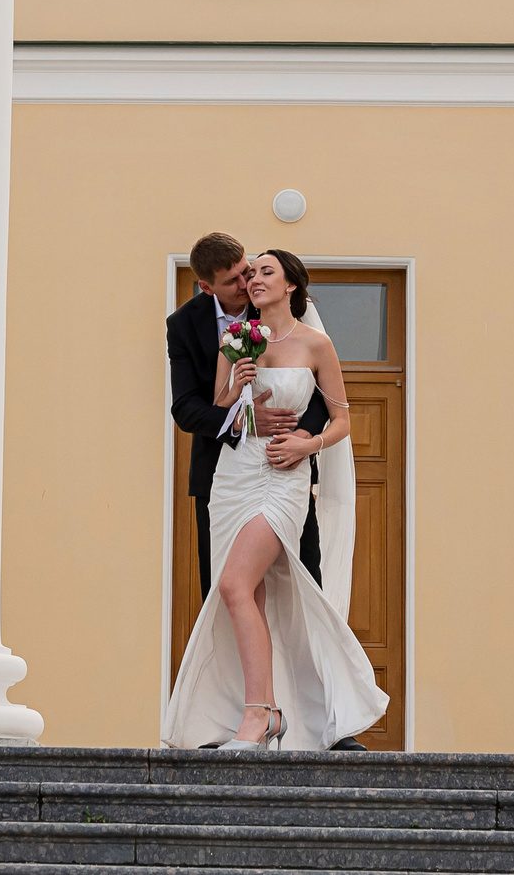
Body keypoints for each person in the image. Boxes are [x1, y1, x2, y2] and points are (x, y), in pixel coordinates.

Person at [162, 248, 387, 751]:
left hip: (283, 476)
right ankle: (263, 712)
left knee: (239, 586)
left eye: (264, 272)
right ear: (209, 286)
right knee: (251, 595)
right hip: (232, 476)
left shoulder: (317, 344)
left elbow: (342, 419)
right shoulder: (235, 338)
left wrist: (307, 445)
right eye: (247, 274)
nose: (252, 281)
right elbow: (212, 404)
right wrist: (238, 388)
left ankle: (282, 715)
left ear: (291, 285)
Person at [166, 232, 324, 598]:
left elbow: (318, 389)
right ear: (206, 287)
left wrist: (303, 436)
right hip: (220, 475)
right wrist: (244, 424)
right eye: (233, 280)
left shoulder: (274, 301)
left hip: (286, 469)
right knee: (226, 587)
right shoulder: (183, 325)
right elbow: (186, 407)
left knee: (303, 581)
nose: (247, 283)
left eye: (247, 271)